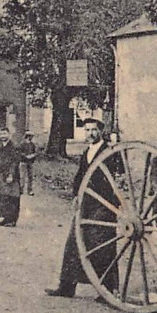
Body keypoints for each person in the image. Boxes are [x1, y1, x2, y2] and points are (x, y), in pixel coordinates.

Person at [46, 117, 118, 299]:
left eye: (94, 130)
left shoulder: (108, 151)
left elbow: (118, 173)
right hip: (86, 203)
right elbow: (80, 177)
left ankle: (106, 290)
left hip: (103, 204)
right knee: (74, 241)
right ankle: (67, 286)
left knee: (101, 245)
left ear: (101, 131)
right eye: (87, 130)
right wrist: (76, 196)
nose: (90, 133)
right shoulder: (86, 152)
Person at [0, 127, 21, 227]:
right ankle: (5, 218)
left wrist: (11, 175)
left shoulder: (13, 147)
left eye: (4, 134)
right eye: (1, 134)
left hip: (11, 176)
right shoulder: (1, 148)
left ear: (9, 134)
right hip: (2, 175)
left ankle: (12, 221)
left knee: (12, 197)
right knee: (3, 197)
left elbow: (14, 162)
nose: (3, 136)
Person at [19, 131, 37, 195]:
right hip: (23, 162)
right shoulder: (22, 144)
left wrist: (33, 156)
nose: (31, 137)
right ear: (27, 136)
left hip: (30, 162)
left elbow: (35, 152)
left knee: (31, 176)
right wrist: (25, 156)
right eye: (30, 136)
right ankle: (21, 189)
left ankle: (30, 190)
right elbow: (20, 152)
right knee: (22, 176)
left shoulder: (32, 144)